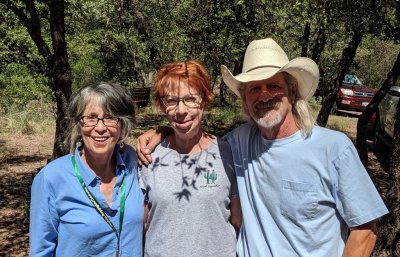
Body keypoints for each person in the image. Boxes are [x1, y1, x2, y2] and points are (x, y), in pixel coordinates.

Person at [137, 38, 388, 257]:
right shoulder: (237, 143)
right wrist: (163, 131)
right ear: (245, 99)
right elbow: (191, 132)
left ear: (292, 92)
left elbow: (365, 229)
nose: (264, 95)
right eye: (254, 88)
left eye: (274, 86)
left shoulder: (333, 148)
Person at [139, 60, 241, 257]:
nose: (180, 110)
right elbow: (142, 224)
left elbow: (237, 219)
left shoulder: (227, 152)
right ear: (162, 106)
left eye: (190, 99)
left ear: (204, 100)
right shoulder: (149, 156)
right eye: (171, 101)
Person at [30, 82, 144, 257]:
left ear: (122, 125)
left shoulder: (133, 162)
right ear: (79, 124)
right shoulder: (51, 178)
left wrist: (162, 131)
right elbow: (41, 251)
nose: (100, 128)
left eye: (110, 118)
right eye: (91, 117)